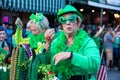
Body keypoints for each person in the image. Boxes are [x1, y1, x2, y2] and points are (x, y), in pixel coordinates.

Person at [44, 5, 100, 80]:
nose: (67, 22)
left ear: (78, 22)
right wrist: (47, 44)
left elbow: (95, 64)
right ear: (61, 25)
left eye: (71, 19)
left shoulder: (87, 42)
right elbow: (48, 63)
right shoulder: (55, 42)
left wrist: (70, 55)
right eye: (63, 20)